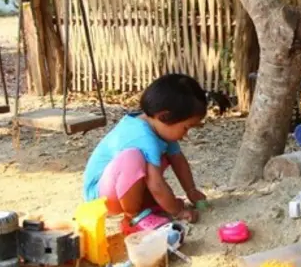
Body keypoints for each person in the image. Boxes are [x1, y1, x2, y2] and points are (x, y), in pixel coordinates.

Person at [83, 73, 208, 227]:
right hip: (101, 197)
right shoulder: (143, 137)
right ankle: (134, 216)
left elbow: (178, 160)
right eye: (186, 127)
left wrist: (191, 190)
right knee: (133, 157)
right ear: (164, 116)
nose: (186, 134)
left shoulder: (161, 130)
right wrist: (177, 212)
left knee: (155, 160)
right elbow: (155, 184)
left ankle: (146, 206)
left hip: (120, 188)